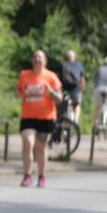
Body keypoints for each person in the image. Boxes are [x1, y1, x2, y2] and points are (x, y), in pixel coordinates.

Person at [15, 50, 63, 188]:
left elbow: (59, 99)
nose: (37, 59)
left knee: (40, 148)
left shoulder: (51, 77)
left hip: (46, 118)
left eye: (40, 57)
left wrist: (50, 91)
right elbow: (17, 93)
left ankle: (42, 177)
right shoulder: (24, 75)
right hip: (28, 117)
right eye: (35, 57)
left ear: (45, 61)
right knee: (27, 143)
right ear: (32, 60)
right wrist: (18, 92)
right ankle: (27, 176)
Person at [60, 50, 85, 124]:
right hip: (76, 89)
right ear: (74, 57)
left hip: (64, 89)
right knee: (77, 105)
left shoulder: (62, 64)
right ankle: (76, 121)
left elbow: (58, 77)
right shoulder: (79, 65)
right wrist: (82, 89)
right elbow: (82, 79)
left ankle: (61, 120)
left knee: (62, 106)